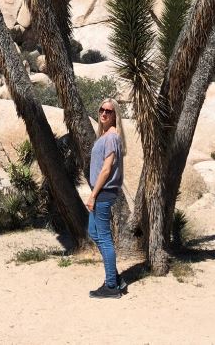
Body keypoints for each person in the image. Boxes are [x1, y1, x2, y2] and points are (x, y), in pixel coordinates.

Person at [86, 97, 127, 298]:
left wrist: (93, 195)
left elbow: (106, 169)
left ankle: (111, 286)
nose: (104, 113)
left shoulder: (111, 137)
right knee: (93, 232)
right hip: (101, 192)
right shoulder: (105, 136)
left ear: (115, 115)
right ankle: (116, 277)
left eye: (109, 111)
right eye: (102, 109)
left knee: (104, 237)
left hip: (103, 192)